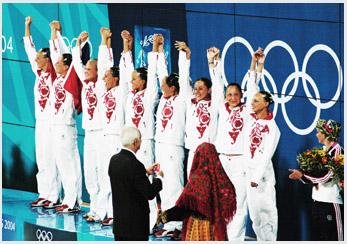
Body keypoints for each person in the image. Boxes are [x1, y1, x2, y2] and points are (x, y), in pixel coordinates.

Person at [212, 47, 264, 240]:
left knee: (239, 203)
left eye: (235, 94)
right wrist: (214, 61)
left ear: (240, 96)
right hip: (223, 161)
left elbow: (253, 87)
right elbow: (217, 85)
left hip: (241, 162)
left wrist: (255, 63)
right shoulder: (222, 109)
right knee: (223, 201)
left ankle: (235, 239)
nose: (232, 97)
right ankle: (222, 236)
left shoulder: (247, 112)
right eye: (229, 94)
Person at [71, 28, 114, 224]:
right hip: (89, 134)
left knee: (103, 173)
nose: (86, 71)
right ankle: (96, 208)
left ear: (98, 72)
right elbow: (77, 64)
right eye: (86, 69)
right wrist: (78, 44)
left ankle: (107, 211)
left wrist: (104, 41)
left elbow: (105, 63)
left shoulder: (100, 86)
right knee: (90, 173)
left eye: (90, 69)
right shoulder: (87, 83)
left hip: (102, 134)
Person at [156, 143, 236, 241]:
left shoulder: (196, 181)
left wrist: (162, 217)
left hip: (197, 229)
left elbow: (183, 209)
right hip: (217, 229)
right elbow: (229, 198)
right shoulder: (222, 179)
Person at [122, 30, 161, 230]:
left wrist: (154, 49)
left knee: (147, 181)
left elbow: (153, 75)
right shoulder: (130, 95)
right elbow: (127, 69)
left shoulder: (149, 95)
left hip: (145, 142)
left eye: (135, 79)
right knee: (131, 183)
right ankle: (136, 216)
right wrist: (126, 46)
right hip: (131, 146)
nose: (131, 81)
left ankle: (153, 219)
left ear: (143, 82)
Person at [153, 40, 190, 237]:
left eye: (165, 85)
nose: (161, 86)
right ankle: (168, 224)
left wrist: (183, 56)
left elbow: (183, 79)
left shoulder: (181, 99)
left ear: (173, 88)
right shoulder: (164, 99)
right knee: (164, 186)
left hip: (173, 147)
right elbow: (162, 74)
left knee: (175, 186)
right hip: (161, 146)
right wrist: (159, 50)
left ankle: (176, 226)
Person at [24, 16, 60, 208]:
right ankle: (44, 193)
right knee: (42, 157)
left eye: (40, 57)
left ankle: (54, 196)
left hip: (53, 122)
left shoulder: (55, 74)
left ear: (48, 59)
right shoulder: (38, 73)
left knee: (52, 157)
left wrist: (54, 32)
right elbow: (30, 50)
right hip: (40, 121)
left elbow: (55, 52)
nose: (36, 59)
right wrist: (27, 27)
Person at [47, 21, 83, 213]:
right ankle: (68, 199)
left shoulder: (71, 78)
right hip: (56, 126)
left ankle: (73, 201)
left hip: (66, 126)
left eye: (60, 63)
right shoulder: (58, 79)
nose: (56, 64)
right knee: (62, 163)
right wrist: (53, 32)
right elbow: (56, 53)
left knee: (69, 164)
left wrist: (58, 35)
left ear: (67, 66)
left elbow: (66, 57)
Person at [289, 119, 344, 241]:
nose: (316, 134)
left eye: (319, 131)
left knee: (335, 238)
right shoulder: (323, 150)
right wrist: (303, 175)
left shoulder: (337, 151)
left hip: (331, 203)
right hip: (317, 201)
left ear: (326, 134)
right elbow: (316, 177)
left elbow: (326, 177)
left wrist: (302, 176)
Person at [108, 127, 164, 241]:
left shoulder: (113, 160)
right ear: (135, 142)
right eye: (140, 139)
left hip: (120, 227)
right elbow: (149, 193)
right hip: (136, 228)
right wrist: (159, 178)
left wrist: (145, 173)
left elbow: (127, 181)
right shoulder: (136, 165)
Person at [242, 90, 280, 241]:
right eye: (252, 100)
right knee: (255, 215)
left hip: (262, 177)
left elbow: (267, 155)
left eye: (256, 100)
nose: (252, 103)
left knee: (267, 213)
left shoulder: (272, 128)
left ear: (266, 103)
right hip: (249, 173)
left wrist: (256, 177)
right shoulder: (251, 122)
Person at [184, 48, 224, 177]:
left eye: (201, 89)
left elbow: (218, 85)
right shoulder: (191, 103)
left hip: (207, 154)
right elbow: (184, 82)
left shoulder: (214, 104)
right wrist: (186, 58)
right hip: (192, 152)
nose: (196, 92)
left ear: (209, 90)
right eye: (195, 89)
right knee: (191, 187)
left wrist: (212, 62)